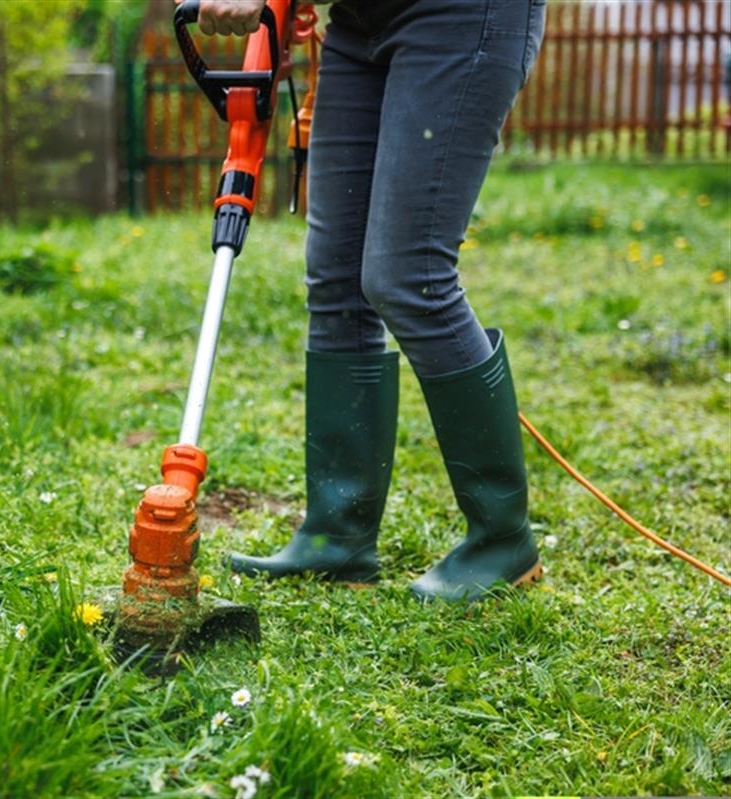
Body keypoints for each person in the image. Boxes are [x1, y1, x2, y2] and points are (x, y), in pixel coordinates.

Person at [192, 0, 548, 600]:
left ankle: (501, 540)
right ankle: (338, 532)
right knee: (336, 275)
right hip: (359, 21)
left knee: (408, 276)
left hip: (459, 15)